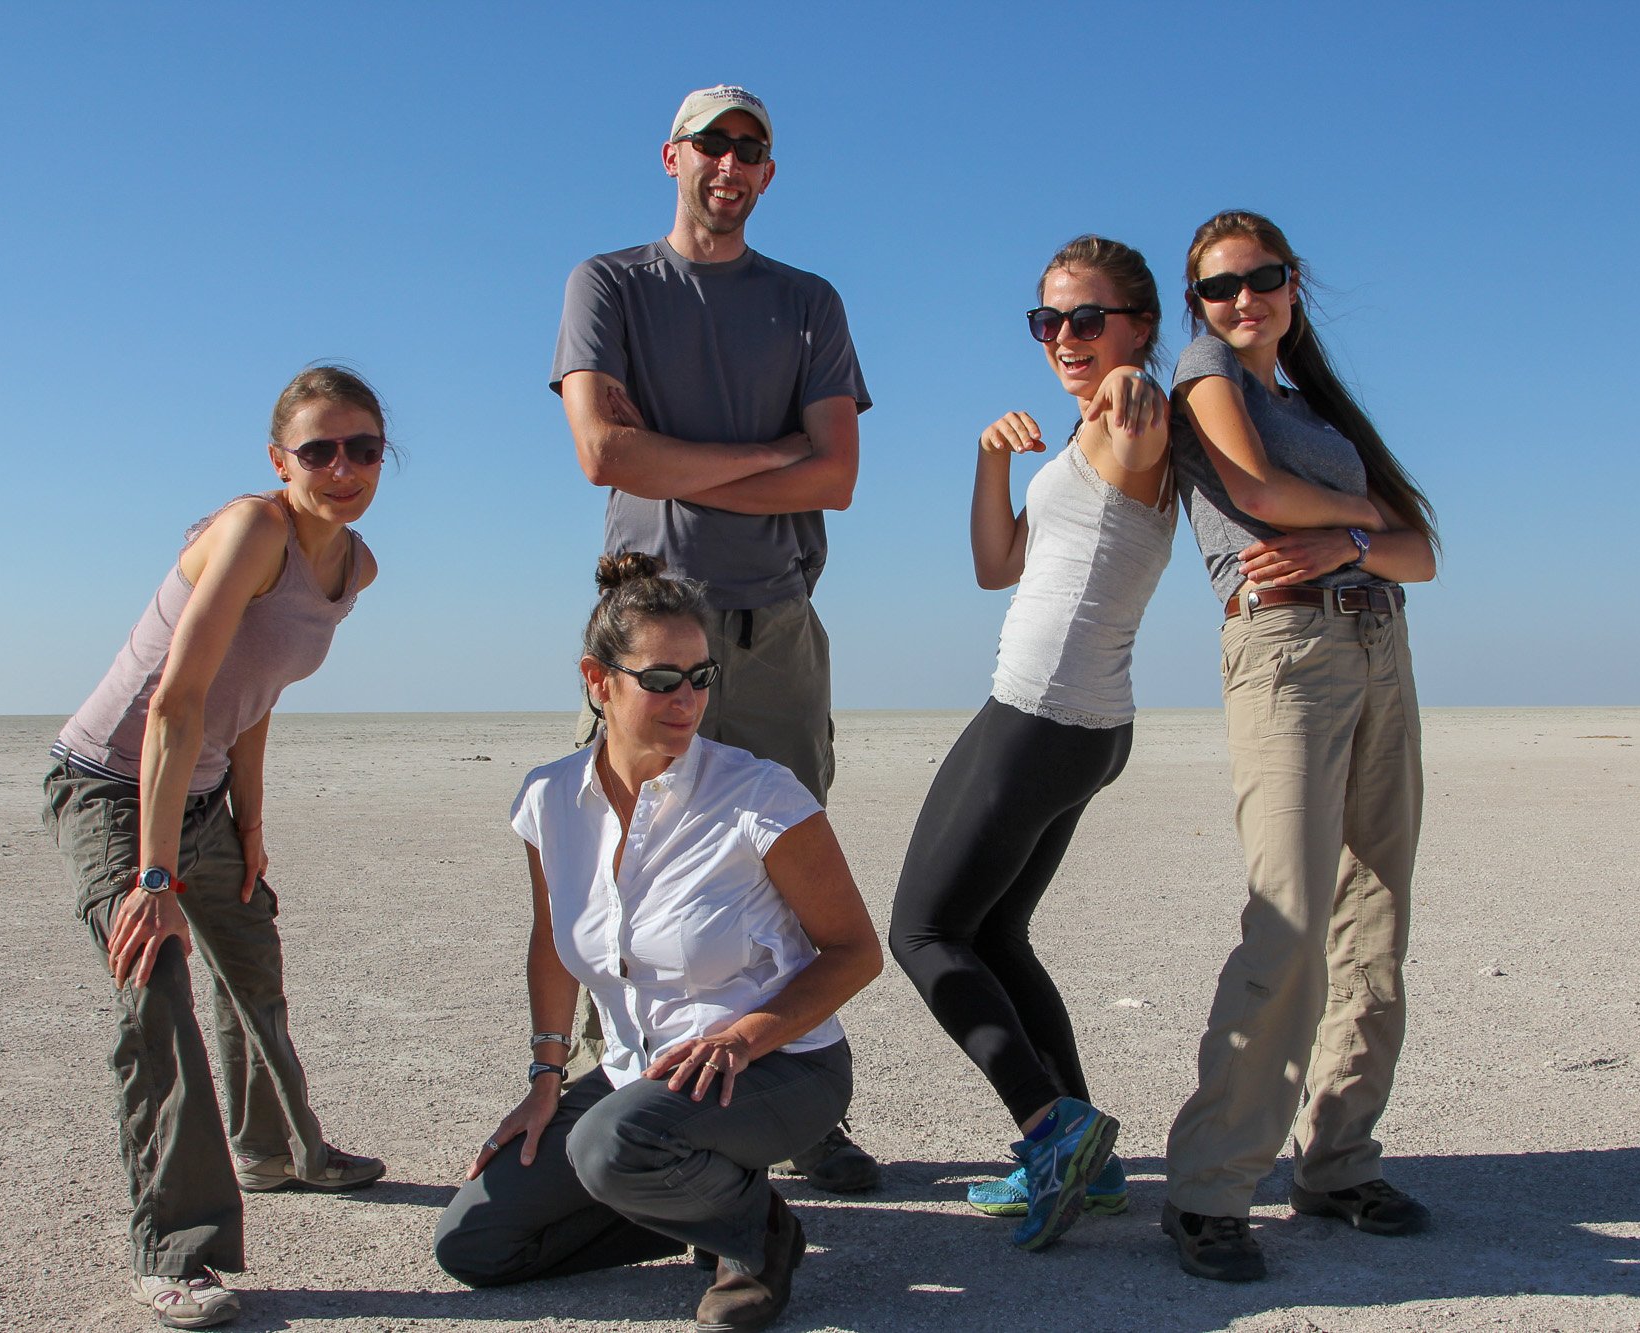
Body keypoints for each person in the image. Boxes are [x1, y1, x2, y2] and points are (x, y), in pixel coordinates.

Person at [550, 83, 880, 1192]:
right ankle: (605, 1091)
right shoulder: (609, 284)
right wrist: (768, 455)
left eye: (751, 149)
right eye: (711, 145)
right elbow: (603, 455)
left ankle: (803, 1106)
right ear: (672, 157)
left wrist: (678, 458)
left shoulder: (807, 302)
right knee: (623, 857)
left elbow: (834, 477)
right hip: (650, 625)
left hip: (772, 621)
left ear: (768, 173)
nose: (729, 164)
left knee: (786, 871)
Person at [433, 552, 881, 1333]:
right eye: (663, 679)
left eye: (701, 677)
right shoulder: (549, 798)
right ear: (598, 680)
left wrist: (743, 1037)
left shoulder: (760, 795)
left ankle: (757, 1236)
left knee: (611, 1144)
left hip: (776, 1067)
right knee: (478, 1242)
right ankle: (693, 1202)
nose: (688, 700)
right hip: (639, 1078)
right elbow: (552, 942)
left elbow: (855, 951)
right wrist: (545, 1077)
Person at [41, 366, 392, 1329]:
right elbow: (176, 703)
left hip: (203, 792)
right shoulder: (251, 533)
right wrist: (154, 875)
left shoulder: (354, 567)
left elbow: (256, 692)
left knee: (250, 958)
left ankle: (277, 1150)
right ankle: (177, 1251)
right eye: (319, 450)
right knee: (154, 983)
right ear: (280, 460)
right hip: (113, 785)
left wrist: (249, 822)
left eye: (364, 448)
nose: (343, 468)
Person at [1159, 210, 1440, 1282]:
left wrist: (1352, 537)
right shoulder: (1203, 372)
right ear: (1196, 305)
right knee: (1288, 918)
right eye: (1219, 287)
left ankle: (1337, 1159)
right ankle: (1208, 1186)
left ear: (1291, 285)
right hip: (1285, 651)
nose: (1243, 301)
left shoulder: (1318, 408)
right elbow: (1255, 493)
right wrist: (1358, 523)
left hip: (1376, 643)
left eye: (1262, 279)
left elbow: (1420, 552)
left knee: (1374, 913)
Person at [888, 236, 1174, 1251]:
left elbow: (1139, 398)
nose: (1063, 338)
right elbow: (993, 563)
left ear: (1139, 324)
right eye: (1046, 320)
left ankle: (1050, 1129)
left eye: (1086, 319)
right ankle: (1091, 1160)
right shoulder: (1081, 435)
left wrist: (1130, 379)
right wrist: (989, 457)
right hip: (1081, 724)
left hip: (1040, 712)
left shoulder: (1132, 410)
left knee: (921, 932)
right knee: (997, 934)